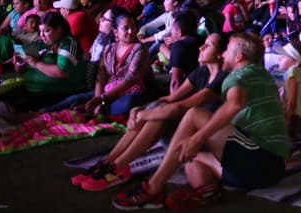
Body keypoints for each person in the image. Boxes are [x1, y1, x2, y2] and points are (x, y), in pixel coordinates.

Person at [111, 31, 289, 209]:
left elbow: (234, 104)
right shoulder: (261, 75)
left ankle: (153, 188)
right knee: (190, 159)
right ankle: (207, 191)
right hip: (266, 171)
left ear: (239, 57)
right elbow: (181, 102)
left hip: (261, 161)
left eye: (227, 49)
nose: (224, 54)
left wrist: (197, 138)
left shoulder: (241, 75)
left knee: (194, 116)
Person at [72, 32, 227, 193]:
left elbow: (179, 107)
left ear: (221, 54)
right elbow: (170, 99)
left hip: (203, 143)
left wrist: (145, 114)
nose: (201, 47)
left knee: (158, 114)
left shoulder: (223, 78)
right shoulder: (201, 72)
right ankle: (109, 162)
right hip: (185, 136)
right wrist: (140, 109)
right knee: (156, 107)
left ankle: (119, 167)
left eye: (208, 45)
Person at [81, 8, 153, 118]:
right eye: (126, 28)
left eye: (133, 27)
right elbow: (101, 78)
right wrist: (98, 98)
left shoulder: (140, 49)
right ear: (115, 32)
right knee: (77, 98)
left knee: (128, 103)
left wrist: (102, 99)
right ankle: (94, 108)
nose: (131, 31)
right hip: (109, 92)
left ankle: (99, 109)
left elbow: (130, 80)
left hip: (132, 92)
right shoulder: (109, 49)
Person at [276, 41, 301, 148]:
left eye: (283, 57)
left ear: (295, 62)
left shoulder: (292, 72)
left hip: (299, 116)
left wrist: (287, 126)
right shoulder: (298, 72)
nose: (279, 58)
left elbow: (292, 103)